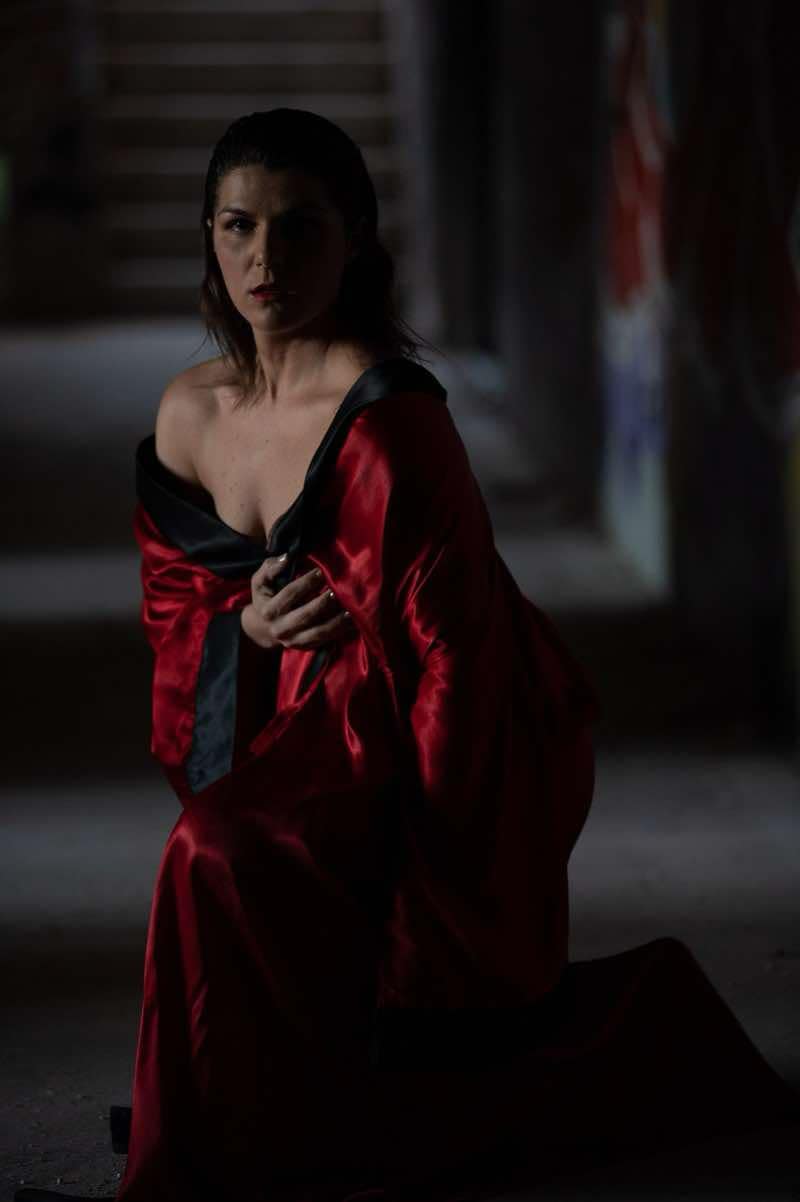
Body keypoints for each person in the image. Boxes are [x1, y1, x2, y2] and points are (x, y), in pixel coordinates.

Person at [16, 108, 798, 1202]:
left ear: (355, 241)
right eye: (238, 226)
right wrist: (241, 630)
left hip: (407, 721)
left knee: (211, 848)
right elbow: (175, 603)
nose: (265, 257)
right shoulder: (189, 411)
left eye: (299, 227)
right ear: (208, 236)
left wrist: (444, 901)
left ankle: (202, 1160)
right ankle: (232, 1127)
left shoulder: (390, 420)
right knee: (221, 848)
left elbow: (454, 661)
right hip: (278, 706)